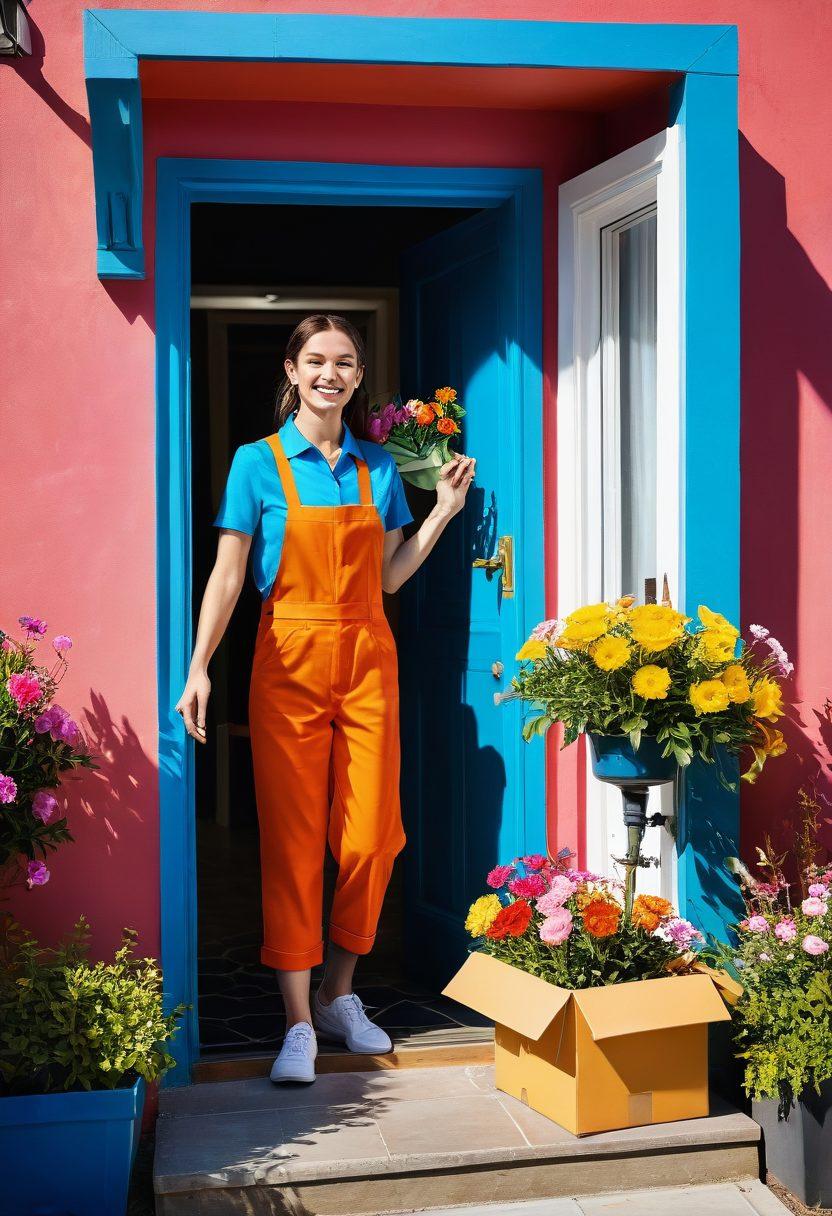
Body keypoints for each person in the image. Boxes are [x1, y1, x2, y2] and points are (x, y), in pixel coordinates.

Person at [176, 313, 476, 1084]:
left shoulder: (380, 469)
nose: (330, 374)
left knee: (373, 836)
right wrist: (199, 665)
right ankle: (299, 1021)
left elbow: (388, 577)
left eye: (344, 362)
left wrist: (441, 510)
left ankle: (342, 993)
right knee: (293, 842)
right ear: (292, 369)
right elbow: (229, 574)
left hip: (370, 658)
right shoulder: (257, 463)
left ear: (358, 376)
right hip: (288, 659)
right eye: (316, 360)